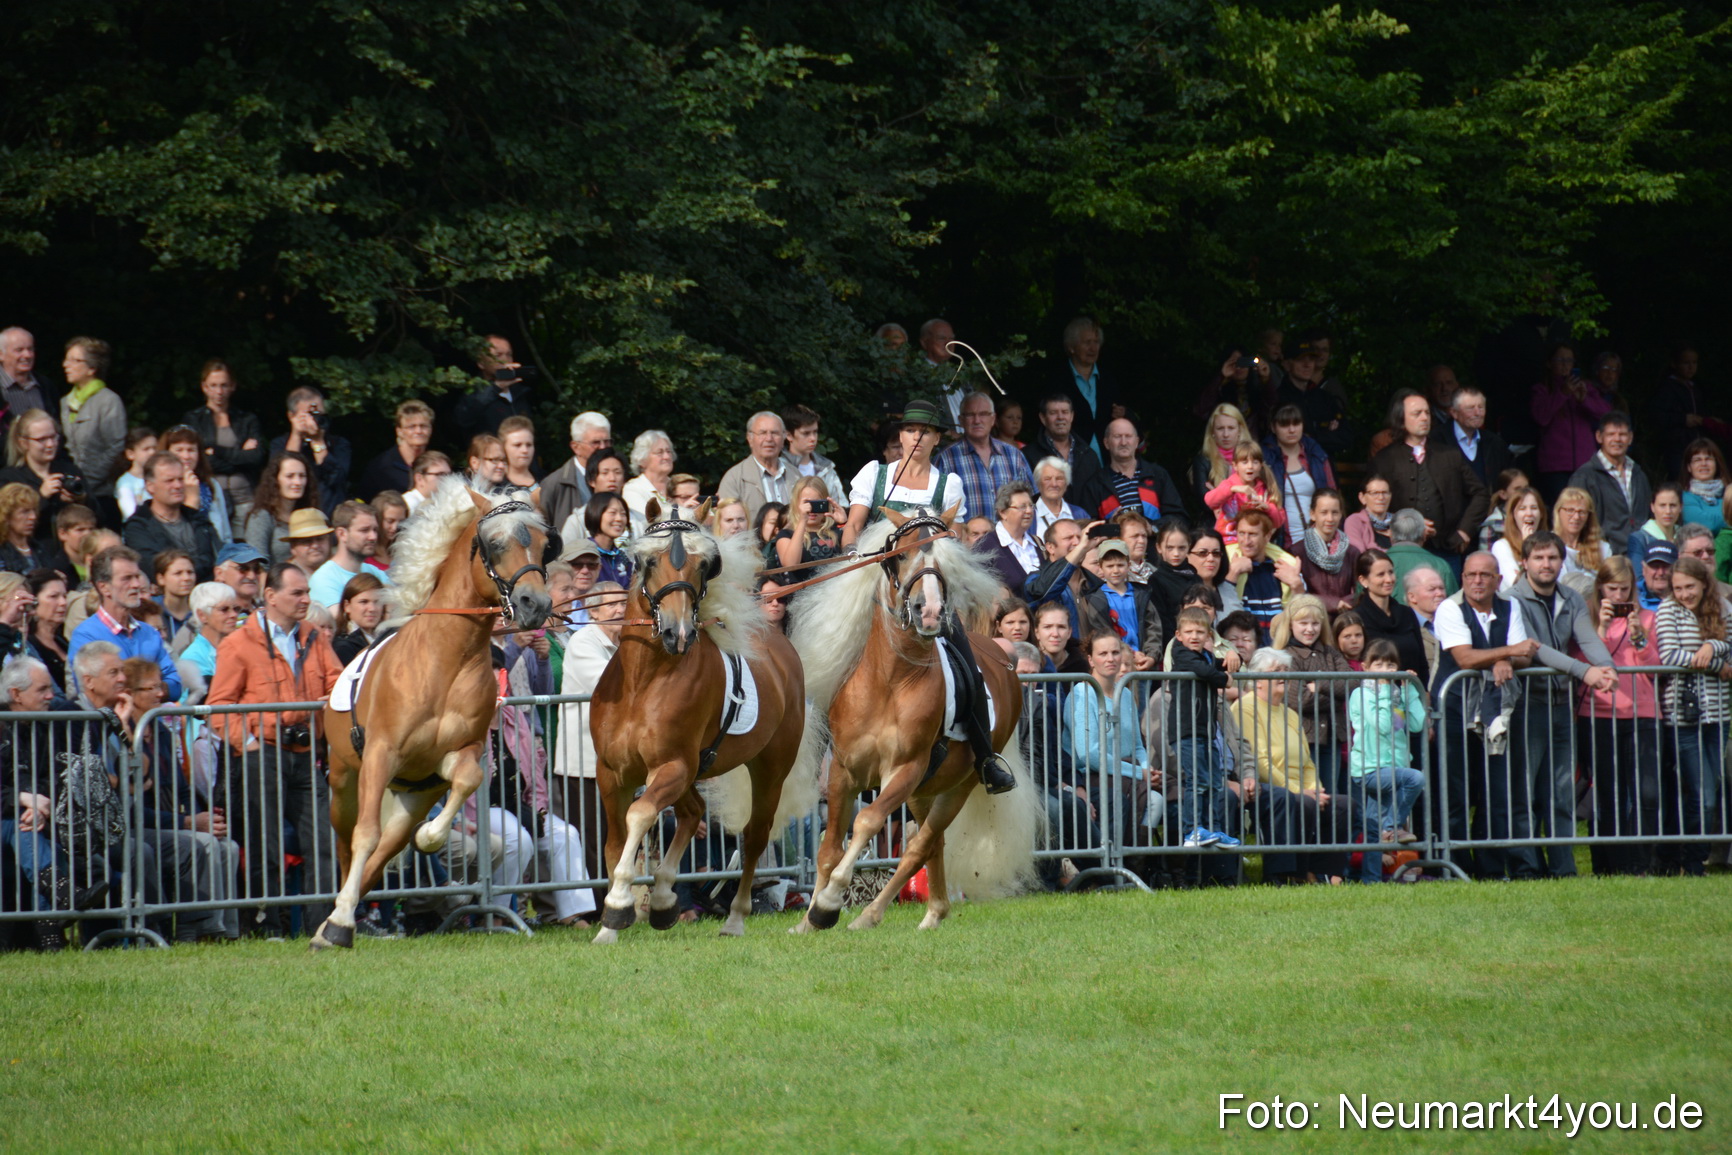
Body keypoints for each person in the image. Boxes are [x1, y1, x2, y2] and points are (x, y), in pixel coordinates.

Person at [205, 562, 342, 937]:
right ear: (271, 596)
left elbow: (337, 681)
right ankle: (269, 926)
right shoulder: (238, 643)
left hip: (304, 752)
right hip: (261, 751)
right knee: (264, 843)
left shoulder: (314, 637)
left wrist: (331, 699)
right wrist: (247, 745)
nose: (306, 599)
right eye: (297, 593)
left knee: (323, 839)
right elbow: (220, 706)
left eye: (307, 592)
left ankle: (321, 926)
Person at [1506, 532, 1619, 879]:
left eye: (1552, 558)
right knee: (1524, 792)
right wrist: (1585, 672)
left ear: (1561, 561)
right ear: (1525, 562)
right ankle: (1526, 868)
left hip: (1561, 705)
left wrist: (1607, 667)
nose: (1546, 564)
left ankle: (1563, 868)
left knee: (1562, 791)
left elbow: (1587, 638)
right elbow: (1534, 648)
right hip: (1526, 704)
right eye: (1539, 558)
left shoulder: (1570, 597)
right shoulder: (1512, 600)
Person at [1431, 550, 1540, 880]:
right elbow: (1464, 658)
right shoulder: (1450, 608)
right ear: (1462, 578)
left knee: (1495, 790)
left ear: (1498, 580)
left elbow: (1525, 655)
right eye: (1470, 575)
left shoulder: (1511, 606)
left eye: (1484, 575)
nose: (1477, 581)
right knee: (1455, 791)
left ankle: (1491, 869)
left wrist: (1505, 658)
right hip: (1453, 710)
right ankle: (1455, 868)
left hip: (1494, 711)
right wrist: (1506, 653)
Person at [1232, 646, 1352, 884]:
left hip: (1300, 789)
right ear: (1257, 680)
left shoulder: (1291, 714)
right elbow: (1259, 761)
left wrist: (1315, 789)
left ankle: (1328, 874)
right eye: (1276, 671)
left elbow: (1307, 762)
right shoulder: (1245, 708)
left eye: (1285, 670)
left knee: (1343, 805)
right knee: (1300, 802)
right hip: (1266, 787)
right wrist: (1299, 791)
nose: (1283, 675)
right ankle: (1295, 874)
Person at [1576, 556, 1663, 876]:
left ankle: (1639, 862)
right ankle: (1608, 865)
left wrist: (1638, 635)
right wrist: (1600, 628)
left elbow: (1655, 667)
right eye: (1612, 589)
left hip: (1643, 713)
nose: (1618, 596)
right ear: (1600, 587)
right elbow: (1583, 664)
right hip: (1598, 713)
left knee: (1647, 792)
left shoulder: (1649, 617)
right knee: (1607, 792)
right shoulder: (1586, 616)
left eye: (1624, 590)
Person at [1654, 556, 1730, 876]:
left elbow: (1730, 644)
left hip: (1719, 715)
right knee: (1701, 793)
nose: (1684, 594)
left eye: (1690, 587)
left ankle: (1693, 858)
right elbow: (1669, 655)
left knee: (1711, 788)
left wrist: (1713, 646)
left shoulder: (1723, 607)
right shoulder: (1668, 610)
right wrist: (1718, 663)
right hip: (1682, 717)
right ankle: (1692, 860)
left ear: (1704, 584)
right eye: (1678, 588)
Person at [555, 582, 628, 881]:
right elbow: (609, 686)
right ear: (593, 612)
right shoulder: (582, 641)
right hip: (582, 764)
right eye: (611, 605)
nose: (620, 610)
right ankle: (598, 902)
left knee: (617, 836)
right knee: (592, 841)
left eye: (623, 603)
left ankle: (617, 896)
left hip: (616, 761)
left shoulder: (626, 643)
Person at [1370, 389, 1488, 569]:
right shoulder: (1385, 459)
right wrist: (1407, 524)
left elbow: (1481, 494)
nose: (1424, 418)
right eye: (1417, 413)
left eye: (1427, 413)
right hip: (1402, 551)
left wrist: (1464, 531)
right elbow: (1371, 504)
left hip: (1447, 549)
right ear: (1401, 419)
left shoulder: (1449, 455)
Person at [1064, 630, 1160, 851]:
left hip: (1126, 771)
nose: (1110, 659)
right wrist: (1139, 773)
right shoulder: (1081, 694)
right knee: (1147, 800)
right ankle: (1122, 861)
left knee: (1169, 794)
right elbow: (1089, 755)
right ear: (1090, 659)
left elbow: (1137, 745)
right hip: (1092, 775)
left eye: (1115, 653)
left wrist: (1147, 769)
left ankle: (1147, 863)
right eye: (1103, 653)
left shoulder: (1124, 695)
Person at [1345, 639, 1427, 880]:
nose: (1385, 670)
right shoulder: (1361, 694)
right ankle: (1391, 827)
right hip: (1369, 769)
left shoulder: (1396, 694)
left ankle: (1370, 879)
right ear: (1365, 667)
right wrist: (1383, 691)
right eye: (1378, 665)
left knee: (1371, 828)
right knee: (1415, 778)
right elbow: (1381, 726)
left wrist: (1410, 689)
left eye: (1390, 665)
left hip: (1393, 768)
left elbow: (1416, 723)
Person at [841, 399, 966, 546]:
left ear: (936, 438)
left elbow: (954, 542)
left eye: (925, 431)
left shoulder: (949, 485)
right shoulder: (873, 474)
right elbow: (854, 526)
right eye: (910, 430)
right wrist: (851, 552)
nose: (917, 437)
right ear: (901, 436)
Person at [66, 546, 182, 700]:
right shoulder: (86, 635)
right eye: (127, 578)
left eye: (137, 576)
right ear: (104, 587)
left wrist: (143, 689)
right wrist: (152, 688)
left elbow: (175, 686)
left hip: (151, 715)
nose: (136, 585)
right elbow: (93, 690)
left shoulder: (150, 633)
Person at [1167, 607, 1235, 849]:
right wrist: (1225, 678)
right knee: (1197, 781)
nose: (1194, 636)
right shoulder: (1181, 653)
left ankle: (1213, 829)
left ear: (1208, 635)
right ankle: (1192, 829)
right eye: (1189, 632)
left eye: (1199, 632)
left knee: (1215, 782)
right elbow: (1207, 672)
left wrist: (1232, 657)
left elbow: (1216, 664)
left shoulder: (1204, 655)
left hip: (1205, 731)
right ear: (1178, 635)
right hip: (1186, 731)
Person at [1271, 594, 1352, 794]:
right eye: (1303, 623)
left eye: (1315, 623)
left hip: (1332, 735)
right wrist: (1337, 695)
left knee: (1330, 792)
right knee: (1310, 794)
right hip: (1304, 737)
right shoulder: (1288, 655)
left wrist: (1320, 685)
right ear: (1291, 625)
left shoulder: (1330, 652)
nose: (1310, 629)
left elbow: (1352, 683)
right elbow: (1300, 700)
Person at [180, 360, 266, 530]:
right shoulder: (194, 419)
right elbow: (200, 461)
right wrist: (240, 456)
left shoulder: (246, 419)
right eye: (213, 385)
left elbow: (257, 458)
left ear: (232, 386)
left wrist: (217, 451)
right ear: (204, 387)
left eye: (224, 385)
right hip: (211, 498)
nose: (219, 391)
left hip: (246, 497)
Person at [1530, 343, 1612, 501]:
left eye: (1569, 360)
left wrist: (1584, 400)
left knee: (1586, 508)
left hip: (1584, 463)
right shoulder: (1542, 389)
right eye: (1560, 360)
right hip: (1555, 466)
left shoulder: (1585, 387)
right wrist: (1562, 393)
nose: (1565, 365)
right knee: (1561, 508)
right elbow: (1541, 417)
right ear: (1549, 363)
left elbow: (1606, 414)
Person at [121, 454, 222, 582]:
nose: (178, 485)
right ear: (150, 486)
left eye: (180, 479)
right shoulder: (138, 527)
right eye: (169, 480)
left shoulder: (198, 519)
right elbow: (155, 569)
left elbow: (220, 556)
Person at [0, 409, 89, 553]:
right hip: (35, 554)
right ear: (23, 443)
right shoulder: (9, 478)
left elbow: (99, 517)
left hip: (76, 553)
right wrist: (41, 497)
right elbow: (8, 524)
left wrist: (81, 499)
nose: (50, 444)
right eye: (41, 439)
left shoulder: (70, 470)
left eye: (53, 437)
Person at [1565, 411, 1651, 554]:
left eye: (1622, 434)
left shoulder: (1639, 474)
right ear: (1599, 437)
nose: (1617, 439)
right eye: (1611, 434)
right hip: (1603, 555)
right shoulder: (1584, 476)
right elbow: (1575, 521)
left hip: (1641, 553)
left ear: (1630, 438)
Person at [1077, 418, 1187, 524]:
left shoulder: (1158, 475)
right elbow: (1087, 527)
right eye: (1117, 436)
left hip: (1155, 537)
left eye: (1128, 436)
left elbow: (1178, 517)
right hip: (1114, 537)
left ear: (1137, 442)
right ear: (1106, 443)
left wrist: (1153, 527)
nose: (1123, 442)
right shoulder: (1095, 485)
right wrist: (1110, 526)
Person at [1648, 343, 1731, 478]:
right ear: (1674, 364)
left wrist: (1708, 420)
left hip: (1697, 445)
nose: (1691, 367)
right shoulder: (1667, 388)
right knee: (1681, 480)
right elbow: (1657, 415)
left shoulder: (1695, 387)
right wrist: (1683, 419)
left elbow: (1699, 414)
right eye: (1686, 363)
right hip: (1677, 446)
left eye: (1694, 363)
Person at [57, 336, 126, 488]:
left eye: (75, 360)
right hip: (70, 486)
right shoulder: (64, 402)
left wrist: (88, 480)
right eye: (66, 359)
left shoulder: (108, 401)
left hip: (101, 490)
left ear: (92, 368)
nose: (65, 365)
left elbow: (116, 447)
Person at [267, 387, 350, 512]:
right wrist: (296, 435)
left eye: (319, 414)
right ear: (291, 416)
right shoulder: (279, 444)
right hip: (292, 513)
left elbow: (336, 479)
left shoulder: (338, 444)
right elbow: (279, 474)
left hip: (328, 511)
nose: (315, 420)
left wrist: (318, 441)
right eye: (309, 414)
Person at [1262, 404, 1335, 547]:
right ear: (1273, 427)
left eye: (1296, 424)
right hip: (1280, 540)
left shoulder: (1316, 454)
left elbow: (1333, 496)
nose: (1291, 430)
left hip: (1318, 541)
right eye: (1284, 425)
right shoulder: (1265, 459)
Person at [1224, 509, 1302, 639]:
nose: (1246, 541)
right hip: (1242, 646)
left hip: (1280, 645)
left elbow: (1303, 617)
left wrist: (1296, 585)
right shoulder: (1226, 564)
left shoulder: (1283, 568)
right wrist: (1232, 574)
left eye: (1253, 534)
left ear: (1267, 536)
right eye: (1241, 533)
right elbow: (1221, 610)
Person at [1052, 316, 1126, 455]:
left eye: (1096, 342)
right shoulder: (1057, 381)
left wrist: (1121, 413)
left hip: (1107, 457)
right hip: (1070, 457)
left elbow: (1121, 414)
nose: (1093, 348)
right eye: (1087, 342)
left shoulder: (1108, 379)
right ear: (1071, 347)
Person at [1082, 539, 1161, 668]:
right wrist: (1131, 654)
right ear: (1101, 567)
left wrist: (1151, 656)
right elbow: (1102, 633)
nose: (1115, 570)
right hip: (1115, 664)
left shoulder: (1141, 594)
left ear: (1128, 565)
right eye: (1110, 566)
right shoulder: (1096, 600)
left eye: (1120, 565)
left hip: (1143, 661)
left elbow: (1153, 628)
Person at [1353, 549, 1426, 681]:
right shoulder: (1356, 618)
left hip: (1411, 691)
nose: (1389, 579)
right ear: (1363, 580)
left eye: (1391, 572)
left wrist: (1423, 689)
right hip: (1374, 692)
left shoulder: (1407, 613)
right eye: (1380, 574)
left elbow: (1422, 661)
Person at [538, 412, 612, 535]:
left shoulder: (618, 478)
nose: (603, 447)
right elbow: (542, 531)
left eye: (607, 442)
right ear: (576, 447)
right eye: (596, 442)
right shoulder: (554, 484)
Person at [307, 501, 389, 610]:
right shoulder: (324, 579)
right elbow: (339, 619)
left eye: (375, 530)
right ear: (342, 534)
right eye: (364, 530)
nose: (373, 536)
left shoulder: (375, 572)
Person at [159, 425, 232, 545]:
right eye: (179, 450)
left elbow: (225, 531)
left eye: (191, 450)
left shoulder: (211, 484)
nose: (186, 456)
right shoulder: (159, 487)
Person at [452, 333, 533, 442]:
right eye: (498, 355)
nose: (505, 360)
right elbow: (462, 421)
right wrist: (495, 388)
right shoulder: (473, 393)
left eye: (509, 354)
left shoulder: (520, 392)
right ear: (481, 363)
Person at [717, 411, 794, 523]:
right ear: (750, 438)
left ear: (784, 437)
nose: (769, 439)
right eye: (762, 433)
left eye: (775, 433)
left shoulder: (796, 476)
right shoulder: (734, 479)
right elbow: (727, 525)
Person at [1022, 392, 1102, 499]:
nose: (1060, 417)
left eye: (1065, 412)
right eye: (1053, 413)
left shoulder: (1089, 455)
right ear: (1043, 418)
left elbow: (1099, 495)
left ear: (1072, 416)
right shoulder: (1027, 456)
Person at [243, 453, 321, 564]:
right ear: (275, 480)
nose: (298, 482)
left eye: (302, 476)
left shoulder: (310, 513)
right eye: (290, 476)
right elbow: (258, 564)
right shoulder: (262, 517)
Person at [1204, 441, 1285, 547]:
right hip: (1229, 541)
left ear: (1261, 465)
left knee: (1286, 558)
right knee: (1240, 558)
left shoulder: (1265, 489)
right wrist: (1233, 489)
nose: (1250, 466)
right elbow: (1209, 501)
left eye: (1255, 462)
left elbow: (1278, 522)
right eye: (1244, 462)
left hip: (1257, 544)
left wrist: (1268, 508)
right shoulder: (1229, 484)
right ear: (1235, 466)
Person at [1434, 384, 1513, 486]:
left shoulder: (1495, 443)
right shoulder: (1437, 441)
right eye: (1470, 408)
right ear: (1454, 412)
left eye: (1481, 407)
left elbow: (1508, 479)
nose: (1477, 413)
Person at [355, 400, 435, 502]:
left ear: (431, 429)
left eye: (423, 426)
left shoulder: (438, 466)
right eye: (411, 427)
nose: (418, 431)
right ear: (399, 431)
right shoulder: (381, 467)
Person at [1294, 488, 1359, 613]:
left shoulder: (1352, 553)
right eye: (1324, 512)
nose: (1330, 518)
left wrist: (1347, 602)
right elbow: (1299, 593)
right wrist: (1334, 603)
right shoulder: (1297, 552)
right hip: (1312, 618)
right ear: (1312, 514)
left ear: (1341, 515)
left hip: (1344, 618)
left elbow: (1360, 590)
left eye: (1335, 512)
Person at [1193, 345, 1273, 441]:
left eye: (1243, 362)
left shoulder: (1257, 391)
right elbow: (1201, 411)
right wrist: (1221, 377)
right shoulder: (1219, 390)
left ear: (1250, 365)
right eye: (1234, 363)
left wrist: (1266, 380)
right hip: (1223, 445)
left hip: (1251, 445)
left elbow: (1272, 411)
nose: (1239, 368)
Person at [978, 480, 1042, 594]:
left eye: (1031, 506)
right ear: (1003, 512)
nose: (1029, 511)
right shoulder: (985, 547)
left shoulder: (1037, 543)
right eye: (1022, 507)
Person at [772, 476, 843, 579]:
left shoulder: (835, 530)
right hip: (804, 588)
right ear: (796, 504)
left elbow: (854, 554)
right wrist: (802, 521)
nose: (811, 509)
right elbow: (791, 564)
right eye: (807, 503)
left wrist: (843, 523)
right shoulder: (786, 534)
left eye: (817, 503)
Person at [1385, 507, 1457, 606]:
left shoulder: (1374, 563)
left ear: (1390, 533)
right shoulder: (1440, 565)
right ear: (1424, 534)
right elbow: (1453, 605)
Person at [1190, 403, 1254, 513]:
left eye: (1231, 428)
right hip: (1215, 522)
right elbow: (1205, 504)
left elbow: (1262, 498)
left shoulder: (1253, 458)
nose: (1226, 434)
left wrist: (1217, 494)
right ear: (1212, 432)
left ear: (1240, 430)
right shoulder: (1203, 461)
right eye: (1220, 428)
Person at [779, 403, 846, 504]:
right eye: (806, 433)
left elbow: (842, 506)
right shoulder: (778, 468)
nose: (813, 438)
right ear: (789, 435)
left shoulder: (826, 468)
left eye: (815, 432)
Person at [181, 581, 242, 682]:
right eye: (224, 609)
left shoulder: (242, 647)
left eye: (236, 609)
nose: (233, 614)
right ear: (202, 615)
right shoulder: (192, 658)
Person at [24, 569, 72, 696]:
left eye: (64, 596)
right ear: (33, 602)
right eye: (53, 596)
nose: (63, 603)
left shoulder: (62, 641)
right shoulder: (28, 646)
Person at [0, 327, 60, 428]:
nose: (27, 355)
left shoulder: (45, 386)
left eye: (30, 349)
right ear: (1, 354)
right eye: (19, 350)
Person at [1552, 486, 1608, 591]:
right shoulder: (1547, 545)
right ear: (1559, 511)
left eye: (1582, 512)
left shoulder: (1603, 549)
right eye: (1570, 510)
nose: (1576, 517)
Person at [1491, 488, 1547, 589]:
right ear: (1513, 515)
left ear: (1541, 513)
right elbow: (1517, 584)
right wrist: (1528, 547)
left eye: (1534, 508)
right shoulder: (1501, 546)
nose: (1529, 513)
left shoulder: (1552, 544)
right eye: (1522, 508)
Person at [573, 492, 633, 586]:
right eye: (612, 513)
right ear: (596, 513)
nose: (619, 519)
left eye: (623, 514)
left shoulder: (623, 558)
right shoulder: (583, 554)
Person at [621, 429, 675, 524]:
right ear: (642, 459)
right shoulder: (633, 489)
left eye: (668, 451)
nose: (667, 457)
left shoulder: (679, 485)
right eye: (659, 452)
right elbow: (646, 523)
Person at [1625, 483, 1683, 570]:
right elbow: (1638, 575)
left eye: (1673, 505)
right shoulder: (1639, 539)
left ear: (1680, 507)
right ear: (1652, 507)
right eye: (1662, 505)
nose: (1668, 511)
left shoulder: (1687, 537)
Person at [1031, 456, 1088, 541]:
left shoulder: (1080, 514)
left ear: (1066, 483)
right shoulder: (1028, 516)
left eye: (1059, 479)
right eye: (1047, 479)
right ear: (1038, 484)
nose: (1054, 484)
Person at [1680, 438, 1729, 534]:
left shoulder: (1728, 492)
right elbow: (1707, 524)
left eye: (1708, 459)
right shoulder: (1684, 497)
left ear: (1716, 464)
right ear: (1689, 467)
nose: (1703, 464)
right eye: (1697, 460)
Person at [1478, 467, 1531, 552]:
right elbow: (1486, 557)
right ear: (1503, 494)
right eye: (1517, 489)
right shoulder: (1492, 527)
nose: (1524, 493)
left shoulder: (1535, 517)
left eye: (1526, 488)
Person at [1032, 599, 1087, 674]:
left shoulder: (1084, 665)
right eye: (1048, 627)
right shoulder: (1025, 663)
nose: (1055, 634)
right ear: (1037, 632)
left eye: (1061, 627)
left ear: (1069, 632)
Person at [1344, 473, 1394, 554]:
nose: (1381, 497)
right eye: (1374, 493)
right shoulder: (1354, 521)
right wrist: (1396, 555)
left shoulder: (1399, 523)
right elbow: (1359, 554)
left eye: (1385, 492)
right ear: (1362, 498)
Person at [211, 542, 267, 611]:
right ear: (220, 573)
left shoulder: (267, 613)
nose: (252, 576)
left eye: (256, 569)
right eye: (243, 568)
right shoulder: (209, 614)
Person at [0, 483, 42, 574]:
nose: (33, 517)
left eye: (34, 510)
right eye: (25, 511)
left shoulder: (39, 549)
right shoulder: (2, 553)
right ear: (7, 515)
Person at [283, 509, 334, 575]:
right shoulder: (285, 577)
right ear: (293, 547)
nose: (315, 546)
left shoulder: (341, 569)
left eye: (320, 539)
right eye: (307, 541)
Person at [366, 490, 409, 570]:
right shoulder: (364, 554)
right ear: (377, 518)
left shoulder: (404, 551)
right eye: (390, 521)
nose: (395, 527)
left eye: (401, 522)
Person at [403, 450, 453, 515]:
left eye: (449, 475)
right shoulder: (409, 505)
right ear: (419, 479)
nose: (447, 479)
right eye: (440, 474)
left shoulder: (441, 504)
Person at [1636, 540, 1676, 612]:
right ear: (1644, 569)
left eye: (1666, 566)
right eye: (1655, 566)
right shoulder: (1631, 596)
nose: (1661, 573)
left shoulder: (1686, 596)